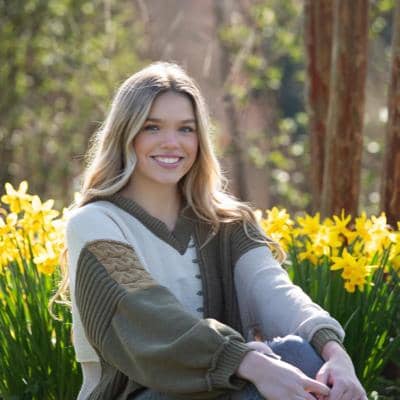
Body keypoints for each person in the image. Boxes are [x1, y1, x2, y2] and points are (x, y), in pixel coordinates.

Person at [58, 61, 367, 400]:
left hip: (224, 386)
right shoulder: (95, 223)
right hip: (140, 395)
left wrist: (335, 353)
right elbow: (147, 315)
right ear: (125, 134)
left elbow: (274, 292)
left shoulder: (228, 223)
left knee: (299, 353)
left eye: (186, 129)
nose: (171, 143)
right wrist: (246, 361)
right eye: (152, 127)